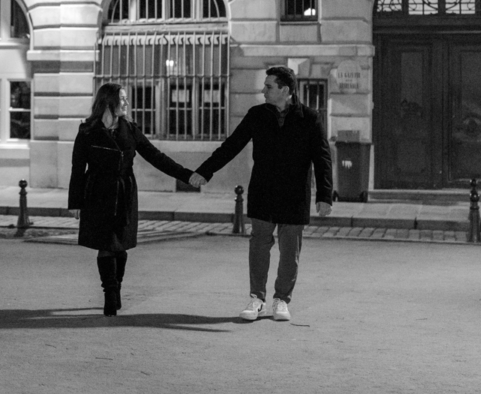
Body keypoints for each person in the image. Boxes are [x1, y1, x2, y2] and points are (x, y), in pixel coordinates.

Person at [188, 66, 333, 323]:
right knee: (259, 245)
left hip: (294, 194)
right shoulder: (257, 115)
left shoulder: (309, 118)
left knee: (290, 250)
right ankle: (257, 299)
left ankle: (281, 300)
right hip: (263, 191)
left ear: (285, 90)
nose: (263, 90)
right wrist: (204, 172)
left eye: (268, 86)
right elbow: (232, 145)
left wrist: (324, 195)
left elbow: (322, 158)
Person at [68, 83, 194, 316]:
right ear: (109, 102)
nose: (127, 103)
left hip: (125, 192)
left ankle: (116, 286)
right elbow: (77, 168)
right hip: (98, 193)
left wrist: (187, 175)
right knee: (106, 245)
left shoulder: (131, 129)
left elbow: (156, 157)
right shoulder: (87, 131)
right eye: (123, 99)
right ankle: (110, 293)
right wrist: (75, 202)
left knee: (121, 246)